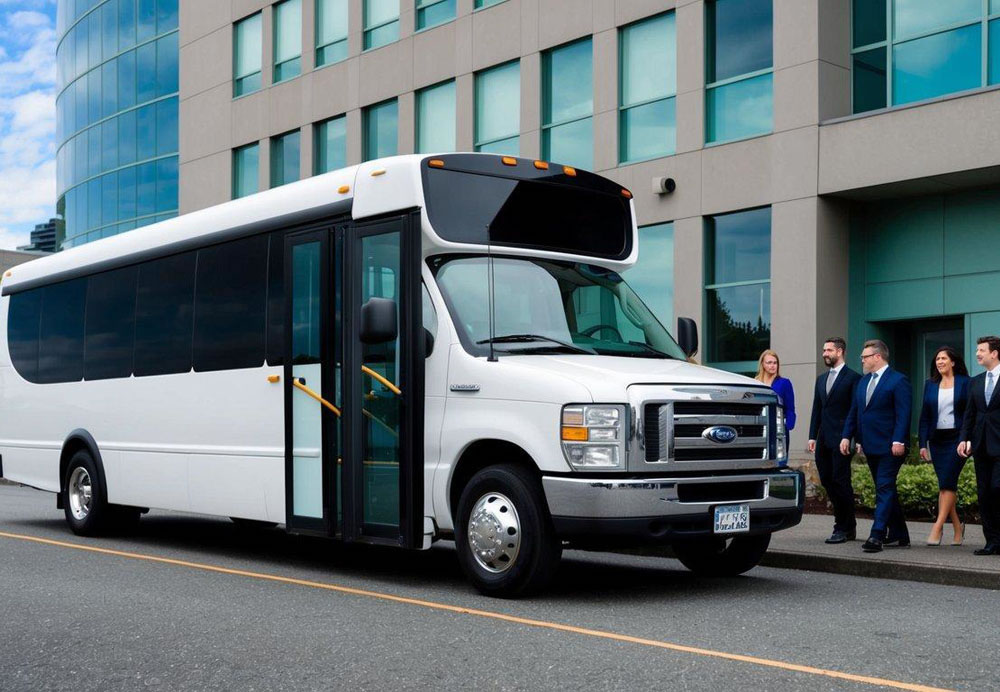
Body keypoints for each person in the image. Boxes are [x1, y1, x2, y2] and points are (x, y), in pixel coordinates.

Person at [840, 340, 912, 553]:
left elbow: (904, 414)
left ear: (878, 357)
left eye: (865, 356)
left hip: (891, 446)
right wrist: (849, 437)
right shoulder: (863, 382)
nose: (862, 360)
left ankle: (877, 535)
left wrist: (898, 440)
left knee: (884, 486)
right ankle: (900, 534)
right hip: (870, 445)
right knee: (886, 489)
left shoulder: (899, 381)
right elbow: (856, 412)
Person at [808, 338, 862, 544]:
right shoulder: (821, 379)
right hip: (823, 439)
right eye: (824, 349)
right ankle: (845, 523)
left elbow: (855, 411)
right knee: (828, 481)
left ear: (840, 352)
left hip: (843, 440)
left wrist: (854, 437)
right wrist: (812, 435)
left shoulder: (853, 378)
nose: (825, 353)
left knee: (841, 482)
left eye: (828, 350)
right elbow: (817, 409)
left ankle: (844, 526)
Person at [918, 346, 970, 546]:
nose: (939, 362)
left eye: (943, 358)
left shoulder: (966, 382)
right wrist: (922, 444)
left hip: (958, 439)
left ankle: (937, 527)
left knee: (948, 482)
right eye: (937, 359)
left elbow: (969, 414)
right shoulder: (930, 385)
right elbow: (924, 416)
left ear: (953, 362)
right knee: (945, 485)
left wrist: (967, 439)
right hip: (937, 440)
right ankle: (957, 526)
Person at [958, 336, 1000, 556]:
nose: (977, 354)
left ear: (994, 353)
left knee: (997, 488)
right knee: (984, 493)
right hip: (980, 446)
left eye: (982, 350)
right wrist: (965, 439)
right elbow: (970, 414)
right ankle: (992, 542)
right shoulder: (975, 381)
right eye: (977, 350)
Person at [755, 350, 796, 444]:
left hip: (778, 428)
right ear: (763, 364)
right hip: (759, 427)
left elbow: (790, 408)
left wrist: (787, 426)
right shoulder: (756, 382)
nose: (773, 365)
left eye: (775, 362)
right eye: (769, 363)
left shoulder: (784, 383)